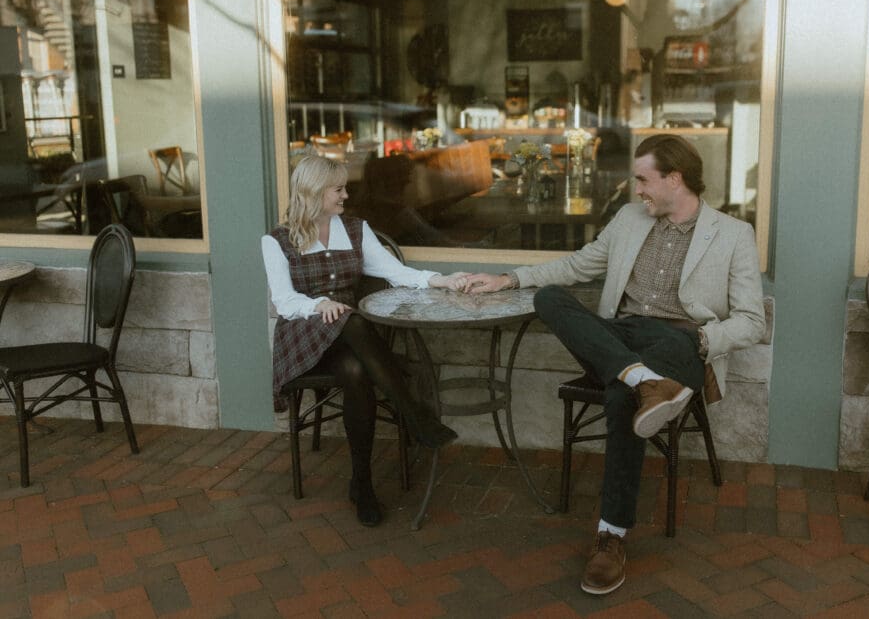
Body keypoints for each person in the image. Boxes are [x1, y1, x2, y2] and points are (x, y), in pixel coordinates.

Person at [464, 134, 764, 595]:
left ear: (675, 179)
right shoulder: (628, 219)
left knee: (622, 397)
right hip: (620, 335)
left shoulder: (733, 234)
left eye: (644, 180)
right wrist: (510, 278)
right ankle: (643, 381)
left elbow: (751, 322)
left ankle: (611, 536)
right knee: (550, 299)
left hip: (682, 341)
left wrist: (703, 339)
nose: (637, 189)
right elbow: (580, 266)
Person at [262, 154, 468, 527]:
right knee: (351, 320)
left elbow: (394, 272)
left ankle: (363, 485)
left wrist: (440, 280)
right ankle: (414, 414)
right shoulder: (277, 240)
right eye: (338, 189)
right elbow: (283, 301)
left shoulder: (355, 229)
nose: (345, 195)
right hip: (304, 337)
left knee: (356, 367)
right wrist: (319, 303)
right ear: (313, 192)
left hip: (352, 342)